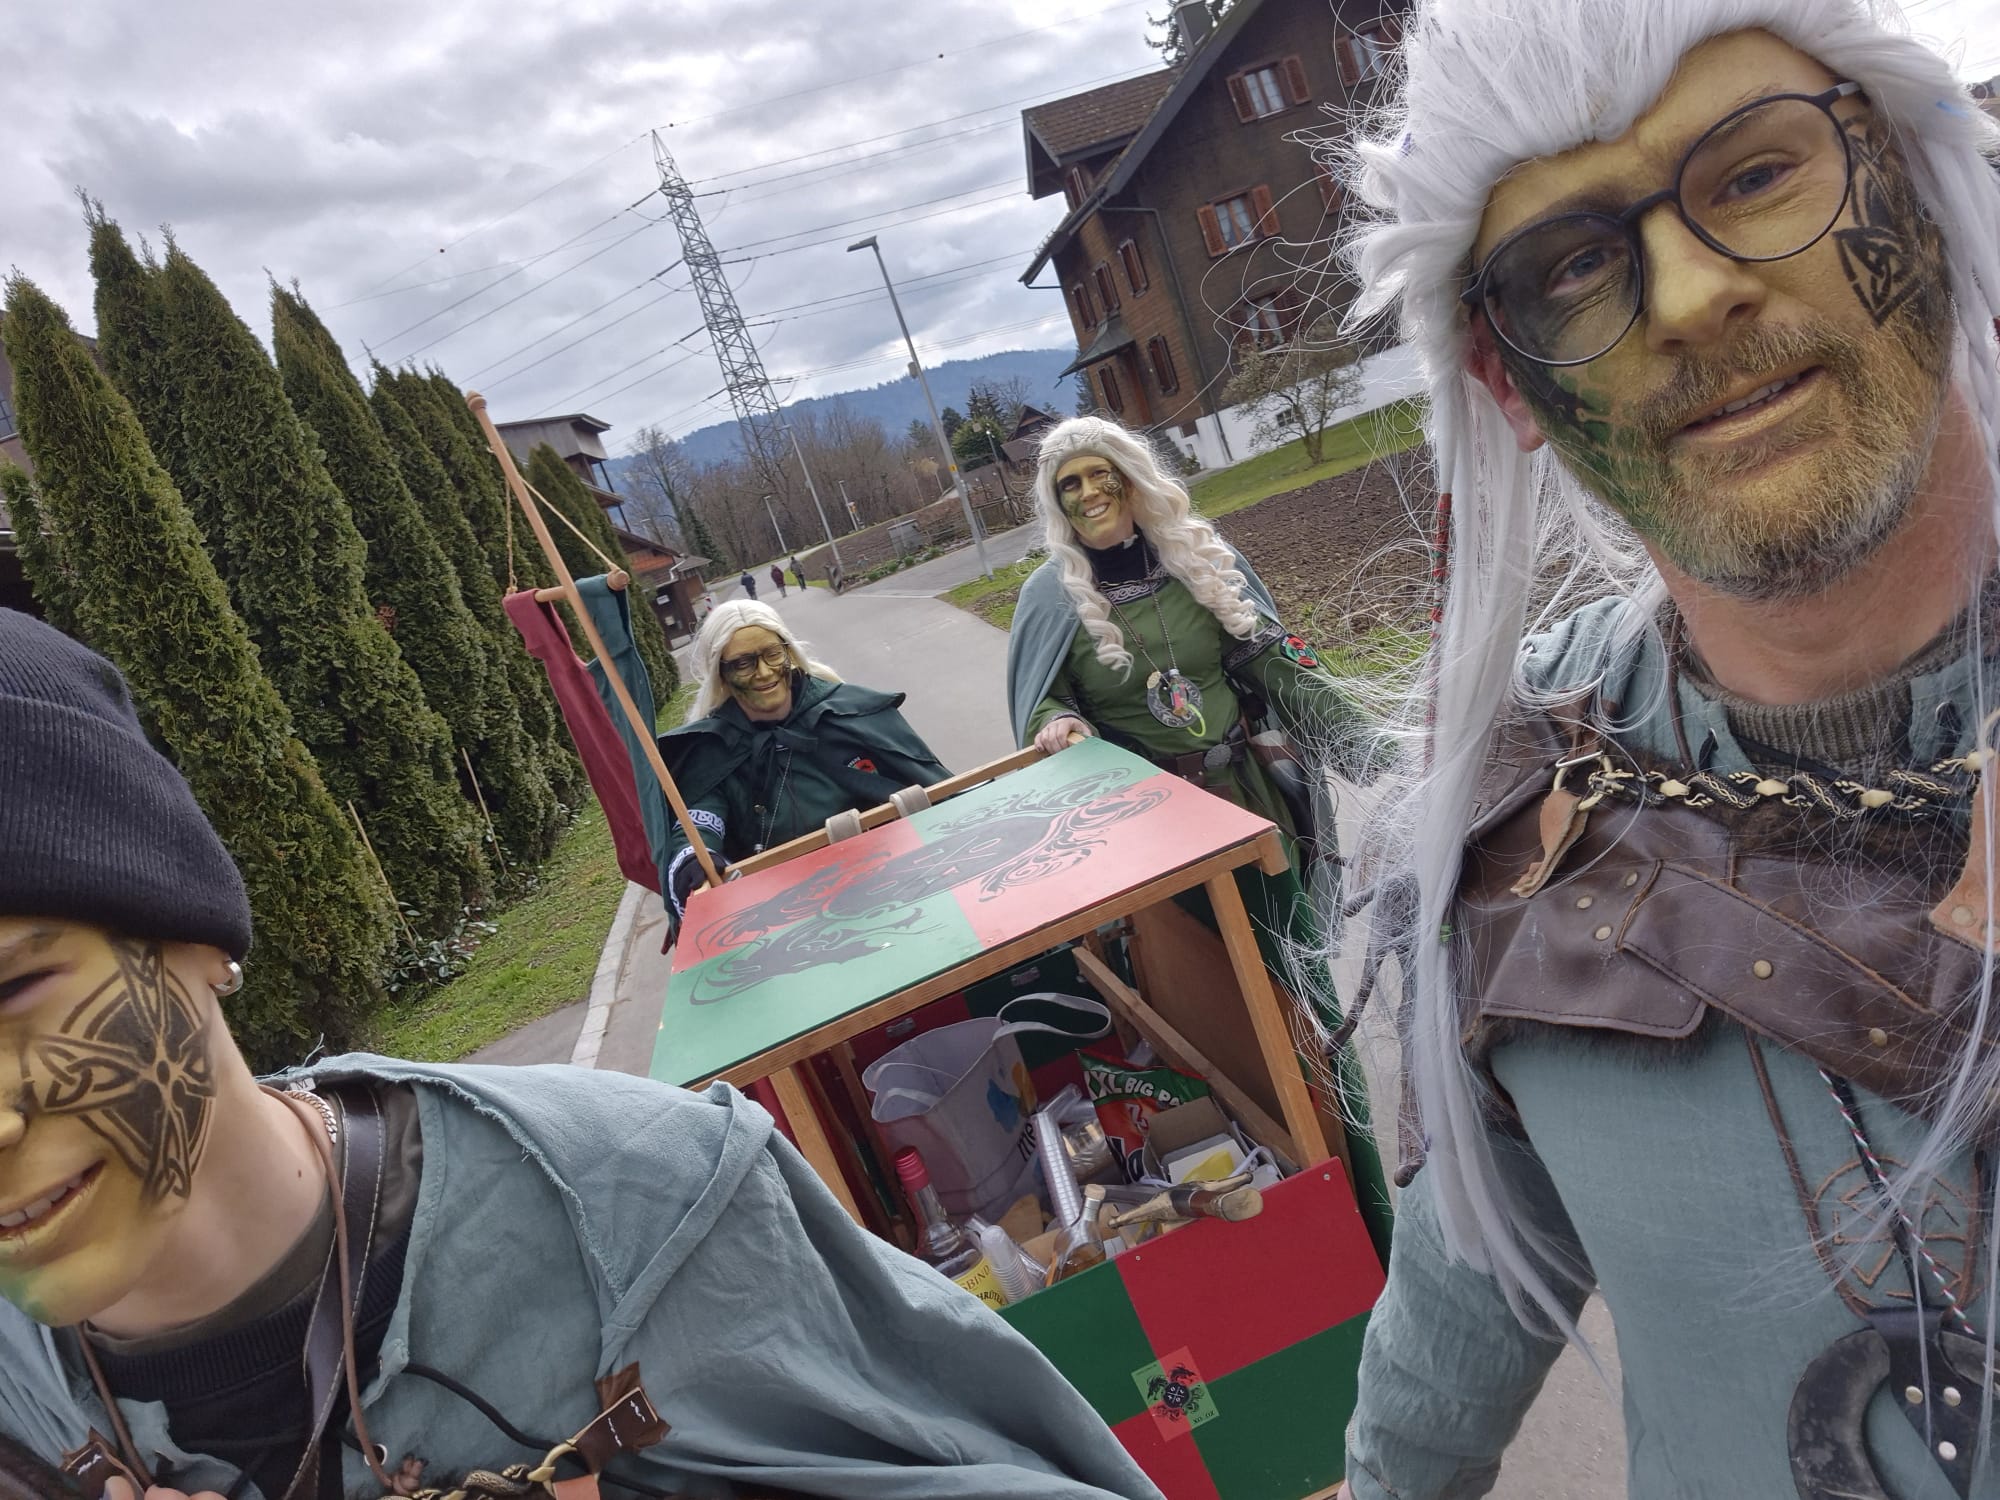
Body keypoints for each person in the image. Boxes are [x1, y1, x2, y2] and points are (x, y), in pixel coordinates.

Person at [0, 609, 1161, 1500]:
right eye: (742, 667)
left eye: (13, 989)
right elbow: (697, 830)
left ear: (194, 933)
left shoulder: (649, 1199)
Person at [1330, 4, 2000, 1497]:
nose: (1691, 296)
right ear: (1509, 385)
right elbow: (1429, 1391)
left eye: (1756, 174)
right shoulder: (1513, 833)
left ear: (1914, 178)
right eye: (1572, 266)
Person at [1005, 416, 1390, 1252]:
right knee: (1213, 1018)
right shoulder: (1050, 597)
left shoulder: (1198, 556)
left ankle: (1367, 1208)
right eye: (1070, 484)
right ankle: (1276, 1223)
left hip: (1249, 815)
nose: (1090, 493)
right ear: (1055, 502)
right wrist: (1059, 725)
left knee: (1304, 1005)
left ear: (1133, 476)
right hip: (1154, 841)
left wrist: (1374, 745)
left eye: (1101, 474)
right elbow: (1040, 701)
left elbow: (1274, 660)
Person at [659, 600, 952, 929]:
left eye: (773, 653)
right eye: (743, 663)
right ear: (722, 674)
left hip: (897, 884)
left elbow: (935, 786)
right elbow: (700, 822)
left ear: (789, 652)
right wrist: (696, 860)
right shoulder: (712, 749)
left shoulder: (850, 712)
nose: (764, 672)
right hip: (791, 918)